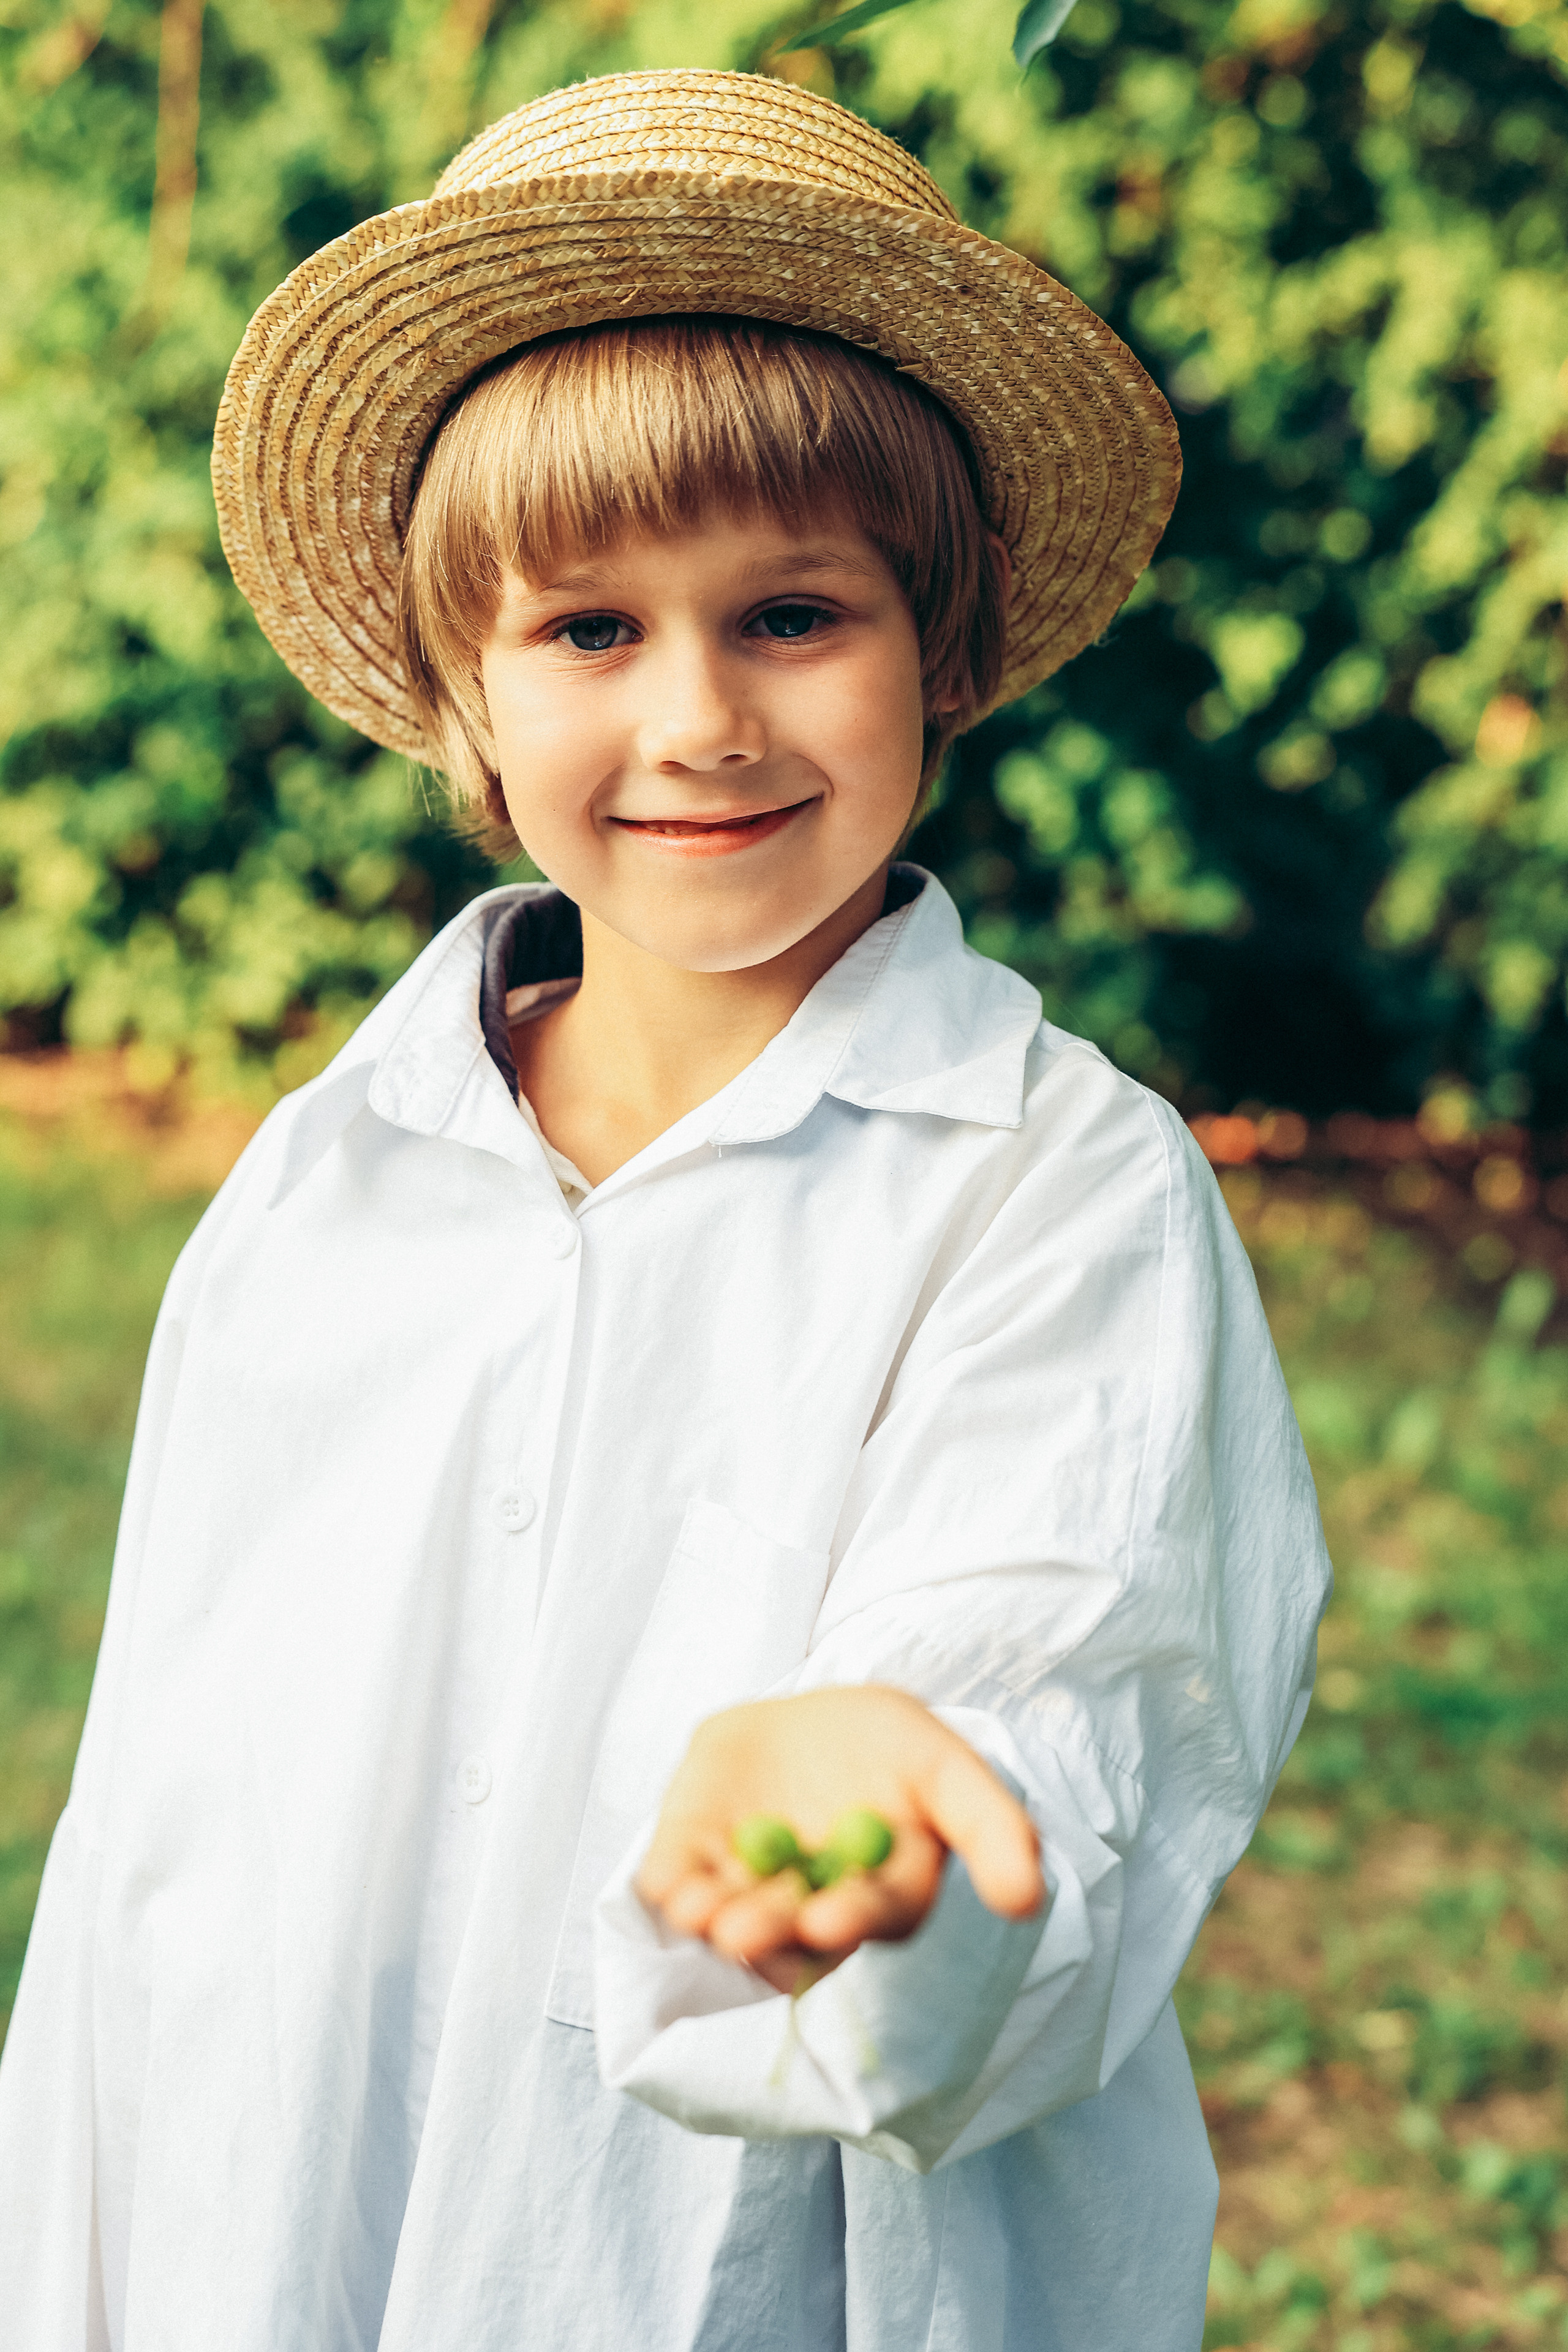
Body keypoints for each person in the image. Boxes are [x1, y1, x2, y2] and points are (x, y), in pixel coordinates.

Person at [0, 67, 1331, 2352]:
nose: (701, 719)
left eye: (793, 614)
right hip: (286, 2229)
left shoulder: (1050, 1181)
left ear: (950, 640)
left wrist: (914, 1775)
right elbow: (156, 1848)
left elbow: (1065, 1667)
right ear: (464, 689)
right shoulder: (327, 1181)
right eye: (592, 631)